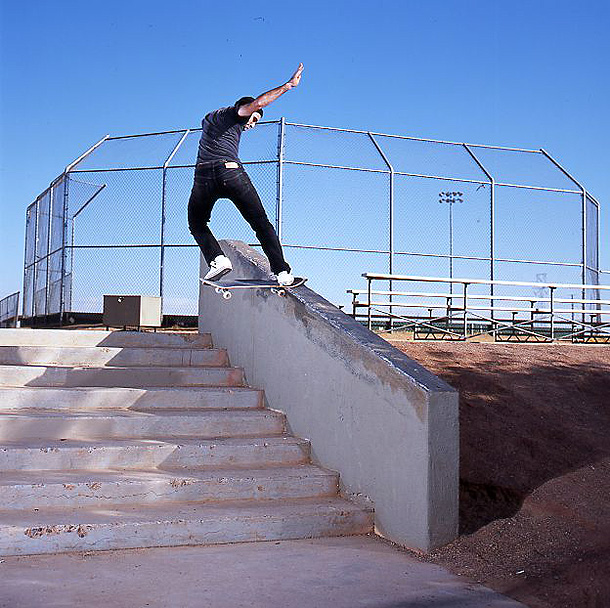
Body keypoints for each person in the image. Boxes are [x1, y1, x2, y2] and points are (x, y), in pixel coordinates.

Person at [188, 63, 304, 285]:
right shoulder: (235, 113)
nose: (253, 124)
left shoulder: (210, 119)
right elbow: (257, 103)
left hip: (202, 176)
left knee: (196, 222)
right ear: (245, 110)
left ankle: (217, 259)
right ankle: (282, 271)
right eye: (254, 119)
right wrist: (288, 86)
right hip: (229, 172)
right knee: (261, 223)